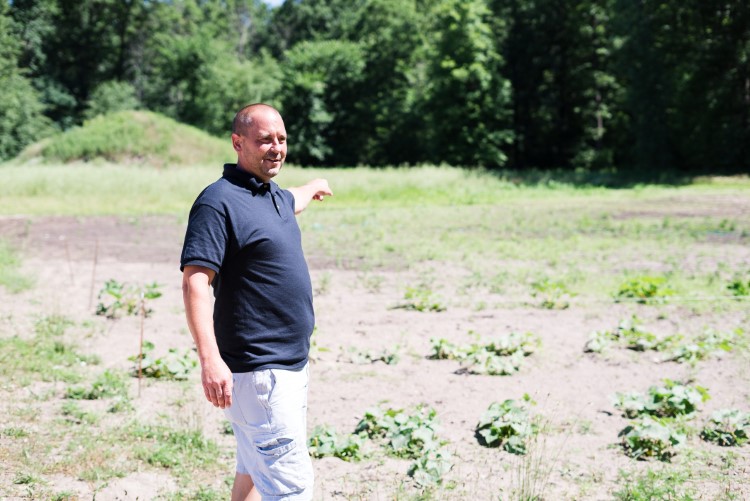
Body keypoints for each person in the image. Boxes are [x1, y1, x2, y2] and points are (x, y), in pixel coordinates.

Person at [180, 103, 332, 501]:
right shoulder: (219, 202)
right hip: (261, 372)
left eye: (281, 139)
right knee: (291, 489)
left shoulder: (274, 196)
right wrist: (209, 360)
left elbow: (294, 198)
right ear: (238, 142)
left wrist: (314, 185)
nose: (276, 148)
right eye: (265, 140)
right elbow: (195, 283)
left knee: (250, 471)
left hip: (287, 365)